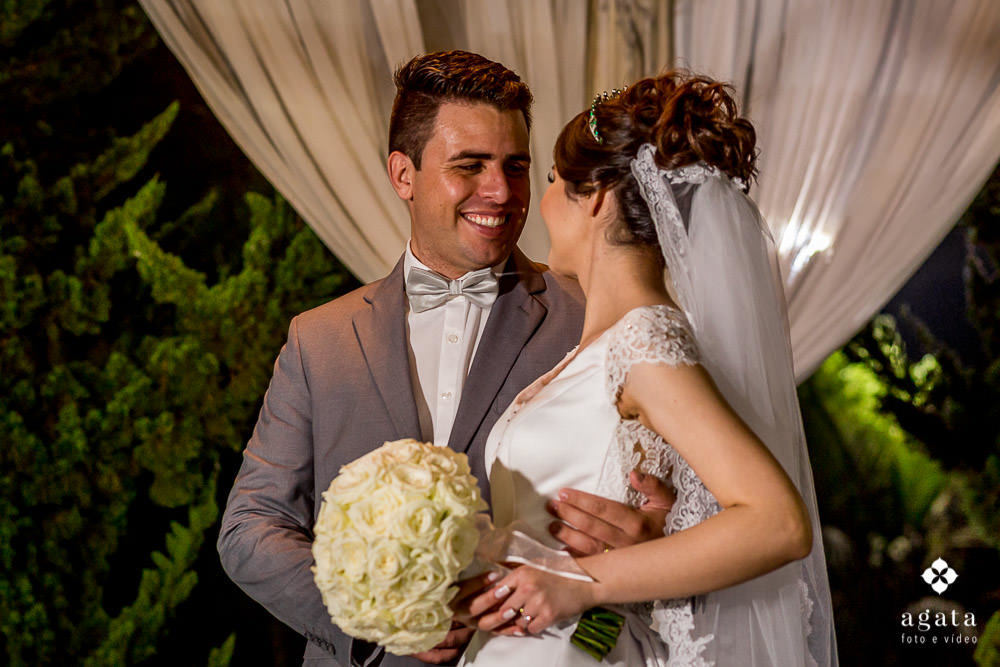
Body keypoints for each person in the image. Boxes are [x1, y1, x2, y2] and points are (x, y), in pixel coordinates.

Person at [217, 50, 675, 667]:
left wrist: (659, 538)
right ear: (403, 175)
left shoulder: (599, 317)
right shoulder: (319, 339)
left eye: (516, 166)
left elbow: (685, 497)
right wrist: (378, 622)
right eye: (470, 165)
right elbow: (250, 525)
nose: (501, 192)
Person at [456, 72, 838, 666]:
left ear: (596, 195)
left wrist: (582, 584)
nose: (541, 202)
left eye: (552, 180)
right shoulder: (604, 346)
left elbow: (778, 523)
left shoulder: (645, 340)